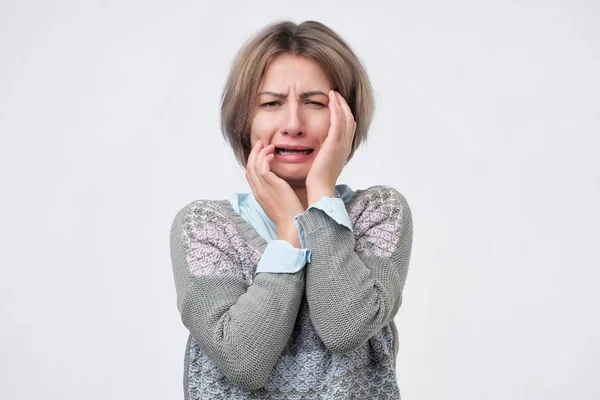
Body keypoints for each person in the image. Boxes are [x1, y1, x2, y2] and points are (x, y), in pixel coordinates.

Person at [170, 20, 413, 399]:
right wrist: (288, 230)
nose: (294, 124)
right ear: (244, 121)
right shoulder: (203, 227)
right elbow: (242, 362)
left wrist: (319, 197)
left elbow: (344, 327)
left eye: (315, 103)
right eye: (271, 103)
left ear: (347, 120)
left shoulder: (378, 213)